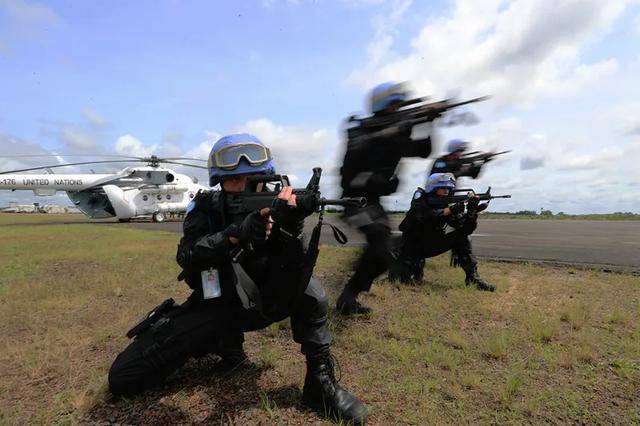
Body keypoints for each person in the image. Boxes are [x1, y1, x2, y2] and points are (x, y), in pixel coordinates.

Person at [108, 133, 368, 424]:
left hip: (264, 300)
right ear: (219, 182)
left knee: (311, 294)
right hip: (217, 304)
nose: (244, 188)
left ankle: (319, 383)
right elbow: (188, 256)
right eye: (234, 181)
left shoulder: (279, 207)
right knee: (123, 378)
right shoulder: (204, 207)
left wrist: (291, 227)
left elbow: (296, 269)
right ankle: (221, 342)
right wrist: (233, 235)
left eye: (252, 179)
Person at [337, 82, 432, 315]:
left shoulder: (398, 136)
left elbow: (424, 150)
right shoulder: (359, 130)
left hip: (373, 201)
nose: (398, 111)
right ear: (381, 107)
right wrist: (396, 130)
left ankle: (350, 296)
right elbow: (358, 152)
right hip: (354, 200)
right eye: (395, 106)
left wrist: (427, 122)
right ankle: (347, 297)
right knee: (379, 240)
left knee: (385, 252)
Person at [389, 173, 495, 291]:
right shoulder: (420, 200)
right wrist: (452, 209)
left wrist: (472, 212)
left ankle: (473, 278)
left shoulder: (447, 206)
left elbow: (465, 229)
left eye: (449, 189)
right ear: (432, 188)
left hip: (431, 244)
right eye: (443, 188)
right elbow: (427, 216)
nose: (446, 191)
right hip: (412, 247)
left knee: (462, 237)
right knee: (399, 279)